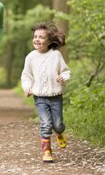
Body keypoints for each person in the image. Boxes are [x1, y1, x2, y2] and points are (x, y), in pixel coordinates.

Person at [21, 23, 71, 163]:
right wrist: (27, 87)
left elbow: (66, 71)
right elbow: (26, 75)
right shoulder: (30, 57)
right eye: (35, 37)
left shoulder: (56, 55)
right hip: (40, 97)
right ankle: (47, 151)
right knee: (45, 123)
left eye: (41, 37)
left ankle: (59, 132)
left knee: (57, 124)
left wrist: (64, 77)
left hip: (56, 96)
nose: (37, 39)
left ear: (49, 41)